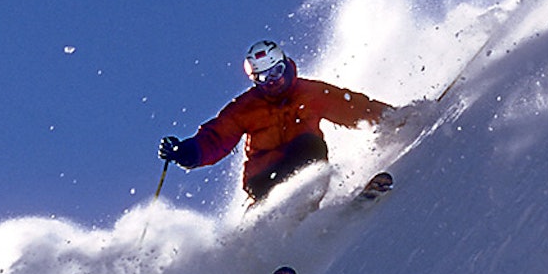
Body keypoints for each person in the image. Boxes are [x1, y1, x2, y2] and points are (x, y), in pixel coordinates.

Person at [158, 40, 393, 203]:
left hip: (305, 159)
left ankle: (312, 218)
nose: (273, 81)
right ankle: (269, 231)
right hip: (263, 177)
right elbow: (217, 136)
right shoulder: (246, 107)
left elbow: (352, 108)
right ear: (254, 81)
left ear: (285, 64)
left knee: (310, 146)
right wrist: (186, 151)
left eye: (277, 71)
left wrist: (396, 118)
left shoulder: (310, 93)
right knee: (306, 154)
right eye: (264, 77)